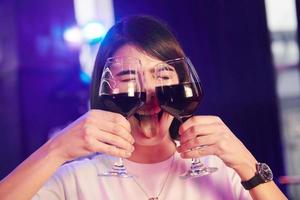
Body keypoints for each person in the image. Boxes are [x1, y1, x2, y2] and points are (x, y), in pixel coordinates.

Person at [0, 15, 287, 200]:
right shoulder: (76, 179)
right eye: (127, 77)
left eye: (162, 76)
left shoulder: (222, 170)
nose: (149, 94)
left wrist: (246, 163)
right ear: (105, 87)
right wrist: (57, 149)